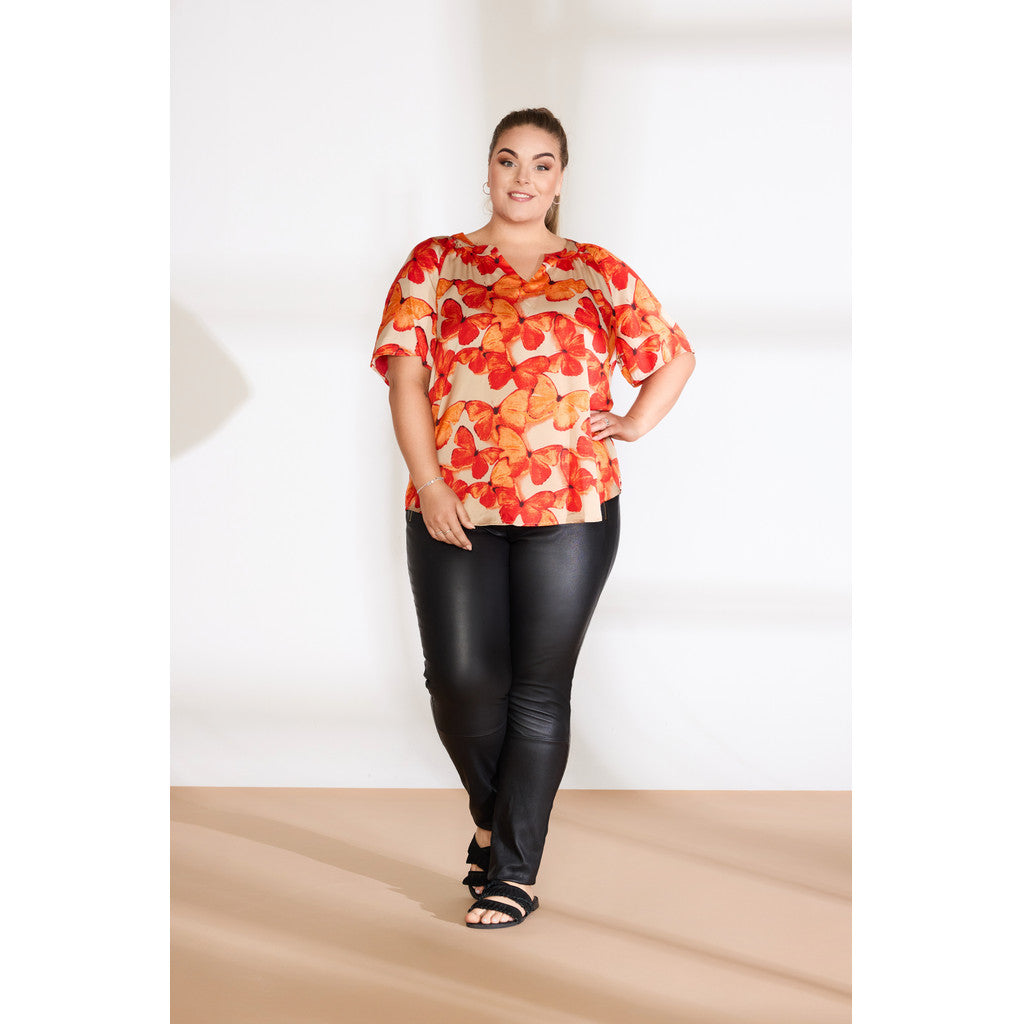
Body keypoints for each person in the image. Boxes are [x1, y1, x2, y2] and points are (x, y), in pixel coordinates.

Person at [370, 107, 696, 929]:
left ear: (559, 180)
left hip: (571, 506)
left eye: (541, 163)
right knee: (460, 681)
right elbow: (407, 381)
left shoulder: (593, 270)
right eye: (508, 159)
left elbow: (673, 355)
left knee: (538, 691)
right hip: (454, 502)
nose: (523, 177)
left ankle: (512, 871)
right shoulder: (436, 263)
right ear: (486, 170)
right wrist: (429, 483)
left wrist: (633, 423)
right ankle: (493, 823)